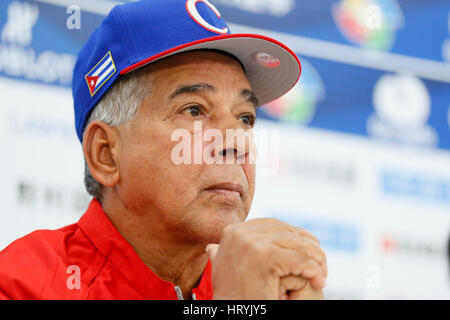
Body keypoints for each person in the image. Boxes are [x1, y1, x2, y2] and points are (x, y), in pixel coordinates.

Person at [0, 0, 327, 300]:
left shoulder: (269, 285)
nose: (236, 143)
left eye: (245, 117)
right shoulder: (22, 284)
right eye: (195, 110)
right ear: (106, 153)